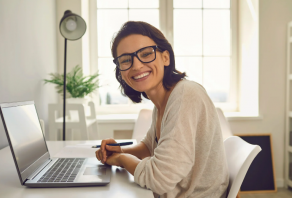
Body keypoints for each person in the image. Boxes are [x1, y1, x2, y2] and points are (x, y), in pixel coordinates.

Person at [95, 21, 229, 198]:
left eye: (145, 54)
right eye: (126, 60)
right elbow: (150, 148)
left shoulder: (185, 95)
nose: (136, 66)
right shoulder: (162, 102)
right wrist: (118, 151)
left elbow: (160, 178)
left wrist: (121, 159)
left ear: (165, 57)